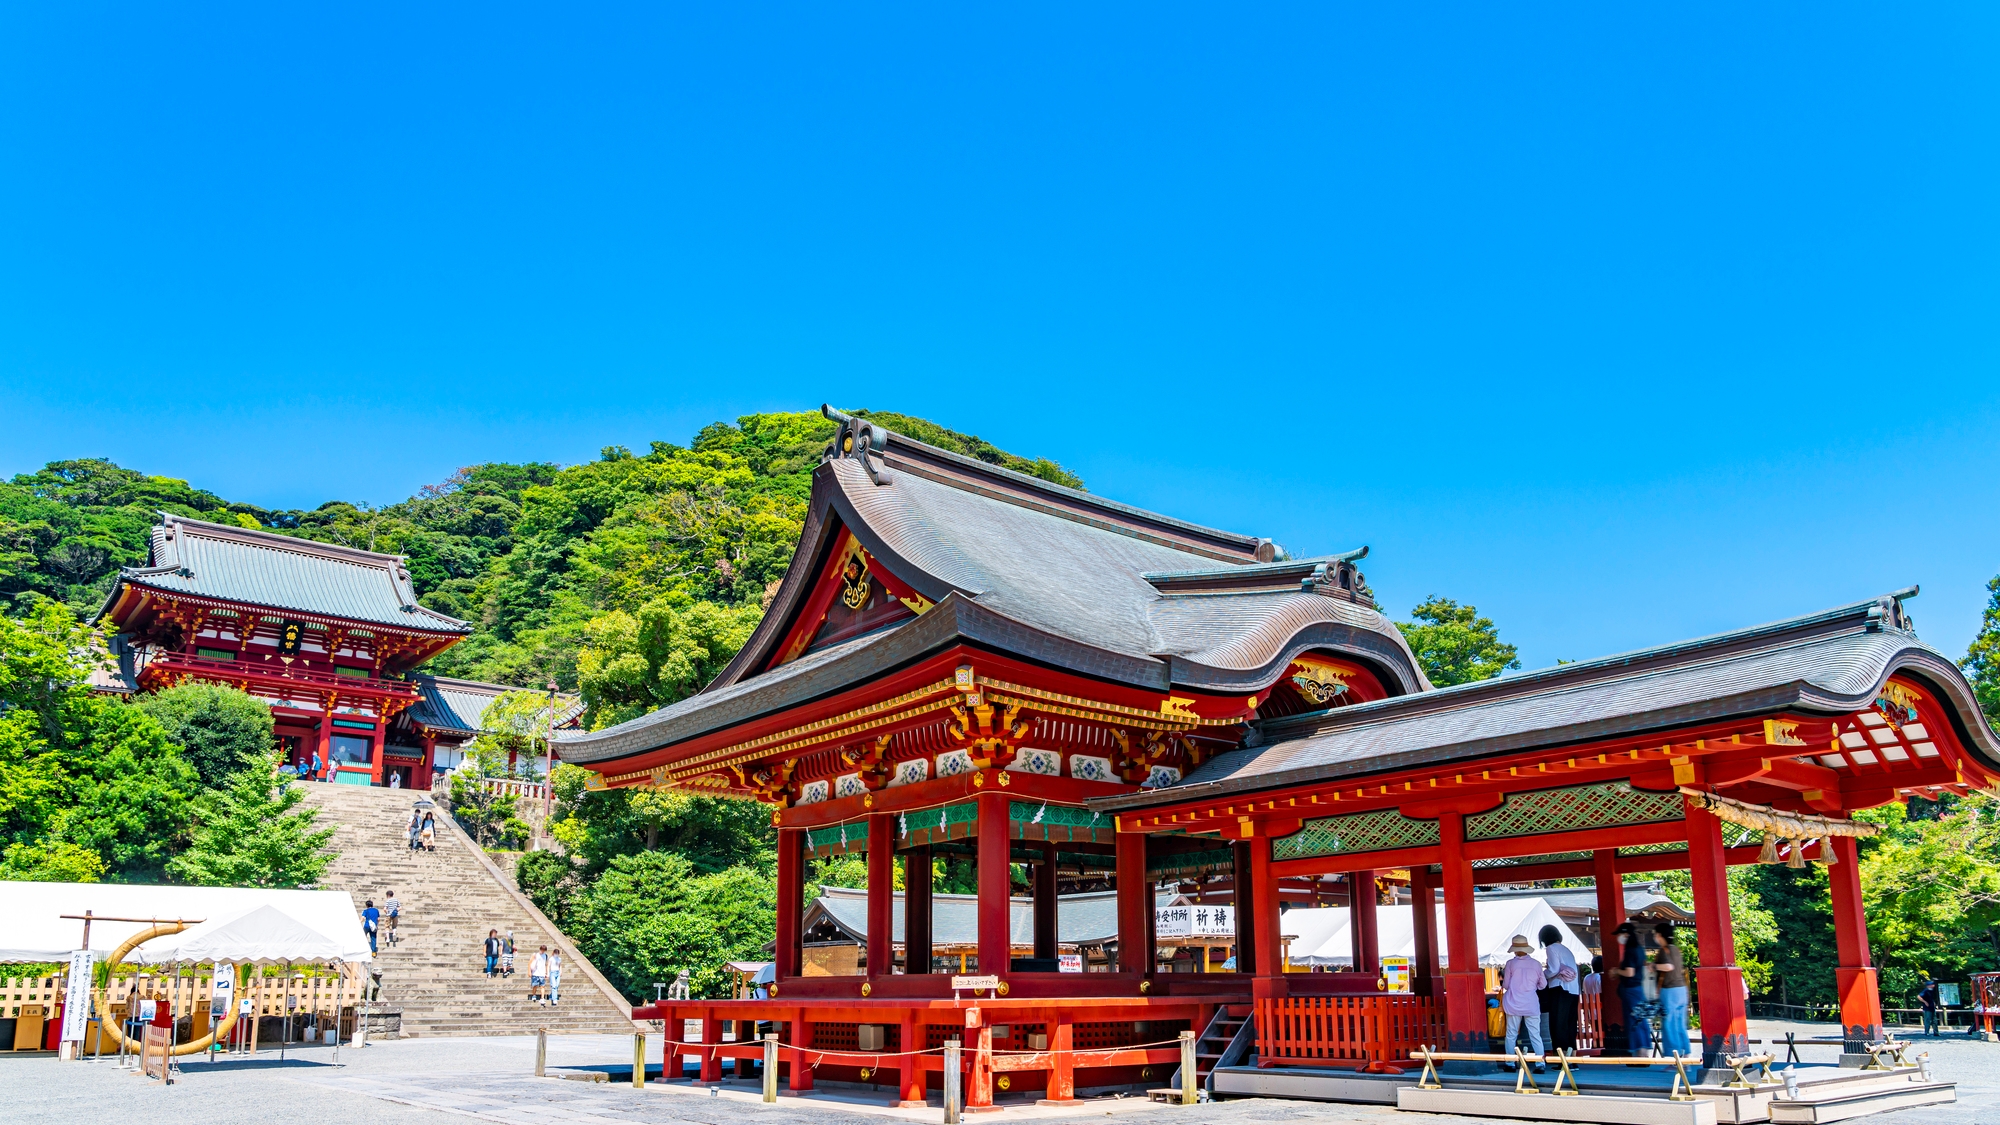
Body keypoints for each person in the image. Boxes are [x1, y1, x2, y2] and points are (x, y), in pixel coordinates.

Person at [1500, 934, 1547, 1071]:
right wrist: (1532, 988)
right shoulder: (1536, 964)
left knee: (1511, 1034)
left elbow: (1506, 985)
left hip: (1513, 1003)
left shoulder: (1510, 964)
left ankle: (1510, 1062)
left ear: (1514, 949)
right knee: (1535, 1035)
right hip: (1531, 1003)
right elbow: (1543, 984)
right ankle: (1540, 1064)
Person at [1613, 921, 1654, 1055]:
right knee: (1640, 1020)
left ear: (1626, 934)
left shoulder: (1630, 951)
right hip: (1638, 988)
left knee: (1634, 1021)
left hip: (1630, 990)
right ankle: (1644, 1053)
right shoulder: (1639, 949)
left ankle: (1639, 1055)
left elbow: (1629, 972)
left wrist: (1617, 971)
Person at [1541, 925, 1581, 1052]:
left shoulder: (1551, 948)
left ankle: (1561, 1058)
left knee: (1558, 1024)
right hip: (1573, 990)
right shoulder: (1567, 950)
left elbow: (1553, 969)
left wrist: (1542, 976)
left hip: (1560, 988)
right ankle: (1572, 1058)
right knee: (1570, 1024)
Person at [1652, 923, 1689, 1059]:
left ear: (1660, 935)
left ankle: (1673, 1058)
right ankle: (1686, 1056)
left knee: (1669, 1026)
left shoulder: (1664, 950)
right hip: (1681, 990)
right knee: (1680, 1024)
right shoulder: (1676, 950)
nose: (1655, 937)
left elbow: (1668, 967)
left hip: (1669, 991)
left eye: (1656, 934)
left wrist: (1654, 966)